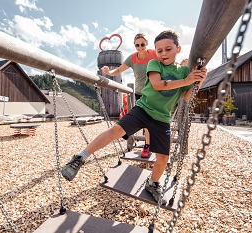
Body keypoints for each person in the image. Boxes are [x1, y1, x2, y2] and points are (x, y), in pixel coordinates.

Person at [61, 30, 207, 204]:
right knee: (116, 130)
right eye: (159, 50)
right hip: (143, 109)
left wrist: (199, 81)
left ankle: (152, 183)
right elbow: (158, 85)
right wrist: (187, 80)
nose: (163, 54)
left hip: (162, 118)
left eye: (168, 49)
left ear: (178, 49)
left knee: (163, 158)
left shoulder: (183, 71)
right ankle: (80, 157)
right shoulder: (154, 64)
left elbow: (186, 97)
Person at [102, 33, 157, 158]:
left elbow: (167, 61)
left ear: (147, 44)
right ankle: (145, 144)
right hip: (139, 93)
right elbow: (119, 70)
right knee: (144, 119)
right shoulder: (132, 58)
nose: (140, 47)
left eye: (142, 44)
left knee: (151, 120)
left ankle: (148, 144)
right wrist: (108, 72)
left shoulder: (154, 54)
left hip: (154, 92)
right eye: (137, 45)